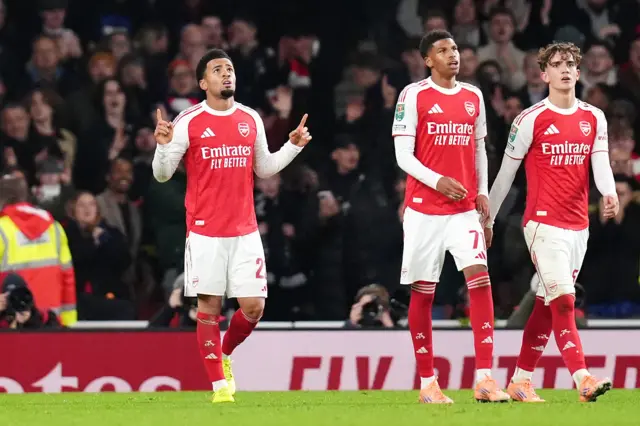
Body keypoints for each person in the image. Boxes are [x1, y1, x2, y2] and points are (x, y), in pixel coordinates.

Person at [152, 48, 311, 404]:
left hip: (245, 231)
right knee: (209, 307)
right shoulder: (188, 121)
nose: (226, 74)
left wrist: (292, 146)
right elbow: (162, 175)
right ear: (202, 82)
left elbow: (264, 168)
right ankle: (219, 388)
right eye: (218, 70)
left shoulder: (250, 118)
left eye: (230, 69)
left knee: (253, 307)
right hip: (205, 231)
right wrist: (162, 148)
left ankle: (223, 354)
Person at [486, 42, 618, 403]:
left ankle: (520, 381)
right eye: (556, 64)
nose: (564, 69)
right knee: (563, 301)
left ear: (578, 73)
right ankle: (583, 379)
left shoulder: (594, 117)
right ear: (544, 74)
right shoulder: (530, 119)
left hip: (579, 227)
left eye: (570, 64)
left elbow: (600, 161)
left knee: (546, 306)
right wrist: (489, 220)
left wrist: (609, 192)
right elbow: (505, 176)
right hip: (542, 225)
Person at [392, 30, 509, 404]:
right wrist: (437, 181)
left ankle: (485, 379)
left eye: (455, 48)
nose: (452, 55)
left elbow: (479, 150)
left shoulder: (473, 96)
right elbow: (403, 156)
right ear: (428, 60)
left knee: (480, 278)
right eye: (443, 50)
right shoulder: (413, 95)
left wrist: (482, 193)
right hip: (424, 211)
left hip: (463, 212)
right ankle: (428, 383)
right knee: (424, 293)